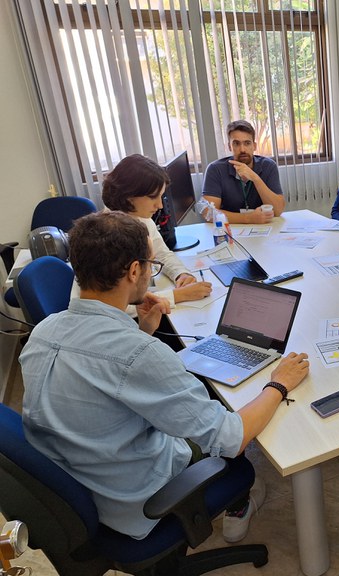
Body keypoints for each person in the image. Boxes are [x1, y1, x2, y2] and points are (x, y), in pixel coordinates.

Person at [21, 212, 310, 543]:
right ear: (133, 271)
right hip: (132, 500)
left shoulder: (43, 331)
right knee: (231, 416)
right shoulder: (139, 354)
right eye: (150, 265)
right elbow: (232, 439)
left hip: (74, 485)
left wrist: (142, 330)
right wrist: (278, 383)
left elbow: (96, 382)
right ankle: (241, 498)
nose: (150, 272)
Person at [99, 154, 212, 308]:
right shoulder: (105, 237)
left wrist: (181, 274)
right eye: (154, 197)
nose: (159, 205)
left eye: (161, 196)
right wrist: (178, 295)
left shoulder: (140, 217)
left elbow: (162, 255)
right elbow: (114, 307)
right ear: (129, 196)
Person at [202, 120, 285, 224]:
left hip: (263, 229)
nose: (242, 149)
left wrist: (255, 178)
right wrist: (248, 218)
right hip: (229, 229)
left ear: (254, 146)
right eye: (236, 144)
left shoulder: (268, 166)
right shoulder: (215, 169)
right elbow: (208, 213)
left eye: (247, 143)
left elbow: (277, 211)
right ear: (229, 146)